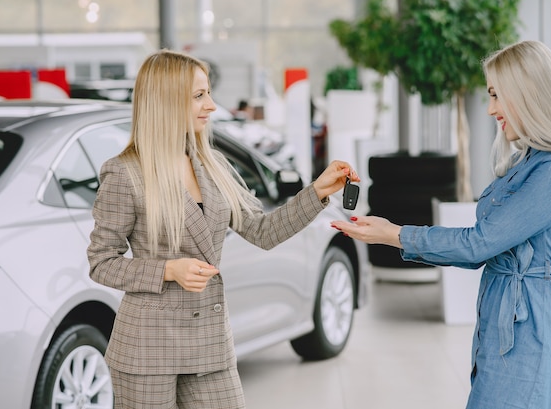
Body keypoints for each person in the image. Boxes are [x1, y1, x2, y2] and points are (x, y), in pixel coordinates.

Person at [87, 49, 359, 409]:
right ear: (167, 101)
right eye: (199, 96)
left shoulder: (212, 164)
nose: (212, 106)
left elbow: (262, 231)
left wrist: (318, 191)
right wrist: (169, 270)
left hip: (210, 345)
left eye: (209, 93)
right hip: (148, 350)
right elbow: (101, 262)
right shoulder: (125, 172)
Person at [331, 40, 551, 409]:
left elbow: (479, 243)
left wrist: (393, 234)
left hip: (533, 335)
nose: (491, 109)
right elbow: (478, 254)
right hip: (505, 328)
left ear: (529, 93)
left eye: (498, 96)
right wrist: (393, 235)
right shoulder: (527, 162)